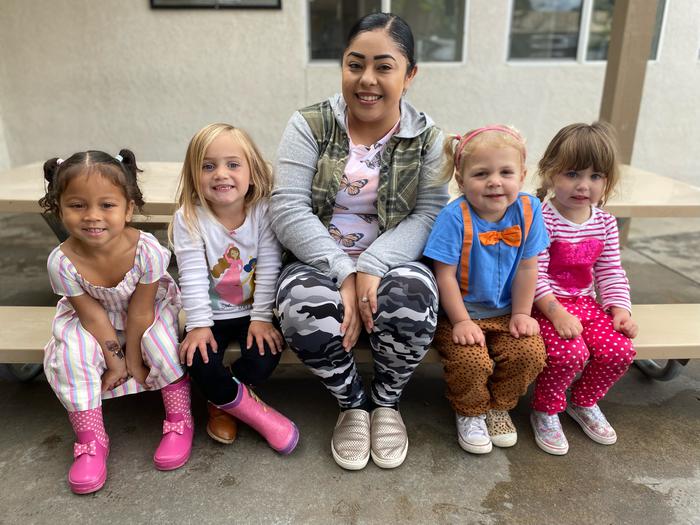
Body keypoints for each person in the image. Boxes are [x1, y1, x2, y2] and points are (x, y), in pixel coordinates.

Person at [271, 13, 447, 470]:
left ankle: (386, 401)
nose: (367, 80)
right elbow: (287, 208)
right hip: (317, 257)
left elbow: (430, 213)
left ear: (409, 75)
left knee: (414, 294)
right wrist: (343, 270)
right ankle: (352, 402)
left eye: (384, 67)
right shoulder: (310, 124)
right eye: (355, 64)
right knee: (300, 302)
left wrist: (371, 264)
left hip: (390, 260)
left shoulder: (427, 138)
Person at [40, 150, 192, 494]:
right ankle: (92, 440)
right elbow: (92, 316)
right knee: (70, 355)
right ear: (59, 208)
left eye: (106, 205)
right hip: (93, 315)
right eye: (77, 205)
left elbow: (141, 312)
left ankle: (179, 419)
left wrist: (134, 359)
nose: (92, 217)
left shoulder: (147, 250)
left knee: (162, 346)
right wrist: (116, 362)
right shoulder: (61, 261)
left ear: (128, 207)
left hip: (143, 310)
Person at [171, 123, 298, 455]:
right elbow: (193, 275)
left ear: (252, 172)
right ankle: (256, 413)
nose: (220, 174)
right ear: (193, 175)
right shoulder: (189, 218)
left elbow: (270, 266)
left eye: (232, 164)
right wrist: (198, 325)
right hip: (208, 314)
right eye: (208, 166)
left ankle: (222, 399)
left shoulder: (263, 211)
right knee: (196, 360)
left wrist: (261, 318)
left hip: (251, 313)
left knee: (265, 357)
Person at [424, 126, 549, 454]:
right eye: (482, 174)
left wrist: (522, 313)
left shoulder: (528, 210)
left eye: (506, 172)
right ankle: (470, 410)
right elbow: (445, 276)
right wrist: (462, 321)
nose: (495, 181)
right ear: (461, 180)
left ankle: (499, 406)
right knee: (472, 362)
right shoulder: (454, 217)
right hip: (459, 314)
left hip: (507, 310)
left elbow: (527, 266)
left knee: (530, 352)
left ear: (522, 176)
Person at [530, 122, 637, 455]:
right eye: (573, 173)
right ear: (549, 173)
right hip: (544, 305)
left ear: (606, 182)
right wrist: (557, 313)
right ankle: (546, 409)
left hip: (586, 306)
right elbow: (534, 274)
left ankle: (583, 402)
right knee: (569, 353)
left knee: (619, 350)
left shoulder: (604, 222)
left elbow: (609, 270)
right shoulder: (541, 219)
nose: (583, 185)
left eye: (595, 176)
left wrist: (619, 309)